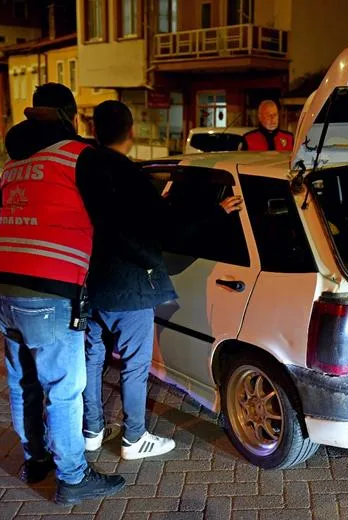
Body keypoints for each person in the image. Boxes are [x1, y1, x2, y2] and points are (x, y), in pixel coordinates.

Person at [0, 83, 125, 505]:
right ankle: (73, 477)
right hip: (46, 292)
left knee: (23, 381)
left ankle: (36, 460)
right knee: (65, 388)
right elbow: (112, 215)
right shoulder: (77, 156)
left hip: (2, 286)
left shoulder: (13, 163)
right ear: (68, 114)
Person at [81, 100, 243, 460]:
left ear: (95, 131)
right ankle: (133, 438)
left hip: (91, 280)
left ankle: (91, 431)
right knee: (135, 364)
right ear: (131, 131)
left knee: (92, 359)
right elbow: (167, 231)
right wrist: (216, 212)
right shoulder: (129, 176)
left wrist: (159, 202)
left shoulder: (84, 169)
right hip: (131, 287)